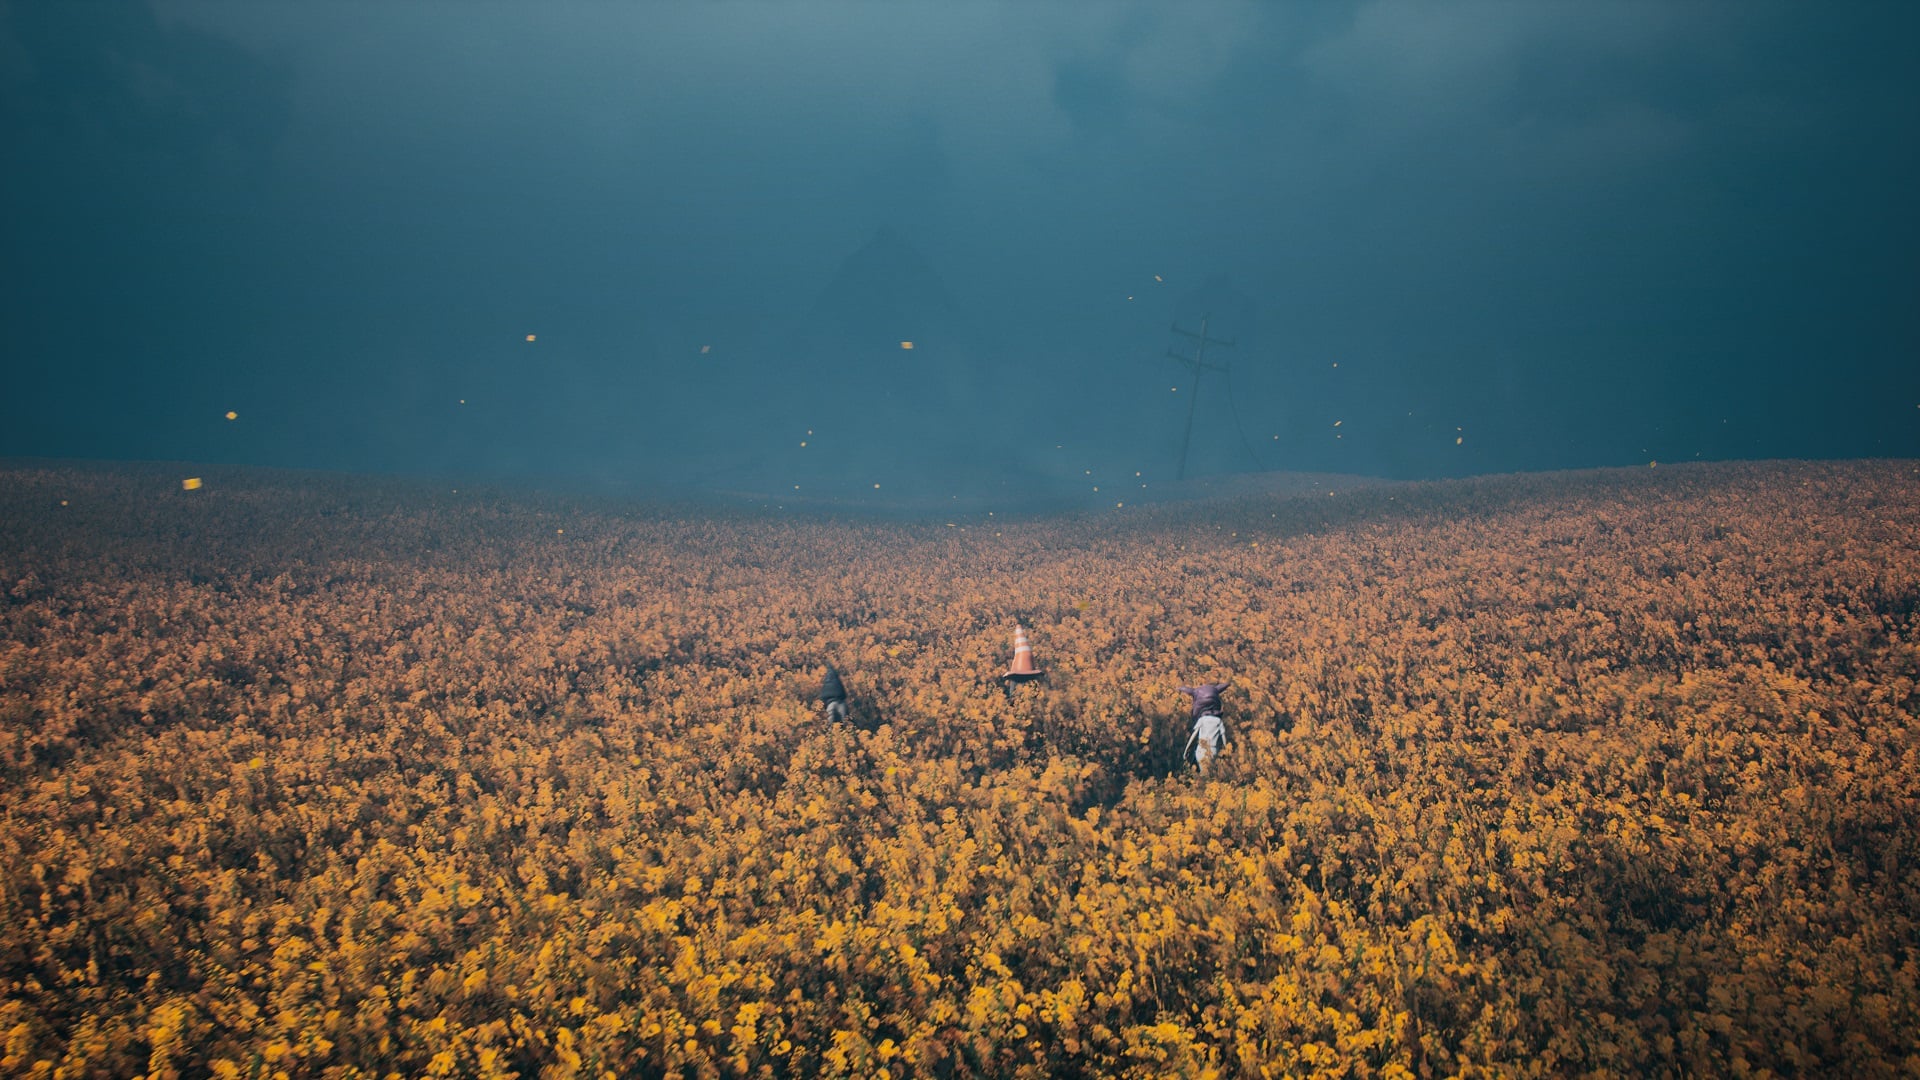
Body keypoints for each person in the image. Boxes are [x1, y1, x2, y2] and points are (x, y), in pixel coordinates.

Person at [1179, 681, 1230, 769]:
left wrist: (1186, 750)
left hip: (1201, 751)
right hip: (1214, 750)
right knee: (1211, 773)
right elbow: (1224, 739)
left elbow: (1193, 736)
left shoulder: (1202, 720)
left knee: (1203, 773)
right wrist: (1227, 752)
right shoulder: (1218, 721)